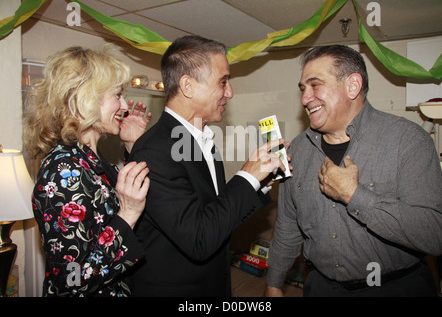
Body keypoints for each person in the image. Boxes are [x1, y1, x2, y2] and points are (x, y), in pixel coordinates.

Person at [265, 45, 442, 297]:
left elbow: (435, 236)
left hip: (395, 288)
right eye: (303, 89)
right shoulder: (297, 149)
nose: (305, 99)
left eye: (315, 85)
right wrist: (274, 283)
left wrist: (355, 196)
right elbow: (288, 223)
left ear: (352, 86)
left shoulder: (409, 141)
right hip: (321, 287)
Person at [128, 35, 289, 297]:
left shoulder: (197, 139)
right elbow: (199, 239)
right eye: (223, 81)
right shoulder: (153, 151)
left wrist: (259, 182)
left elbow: (214, 214)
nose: (230, 92)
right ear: (188, 86)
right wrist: (247, 176)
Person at [23, 46, 152, 297]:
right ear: (87, 98)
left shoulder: (87, 157)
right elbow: (73, 281)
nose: (124, 105)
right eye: (118, 95)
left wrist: (133, 145)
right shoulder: (63, 170)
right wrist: (127, 215)